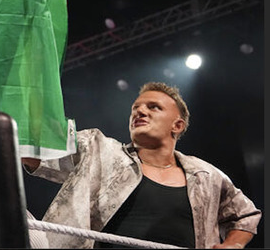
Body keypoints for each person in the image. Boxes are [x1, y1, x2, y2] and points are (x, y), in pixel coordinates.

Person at [22, 82, 261, 248]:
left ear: (177, 126)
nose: (140, 111)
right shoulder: (97, 148)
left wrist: (233, 244)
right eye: (135, 108)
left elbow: (246, 214)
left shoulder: (206, 175)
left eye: (153, 107)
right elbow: (36, 151)